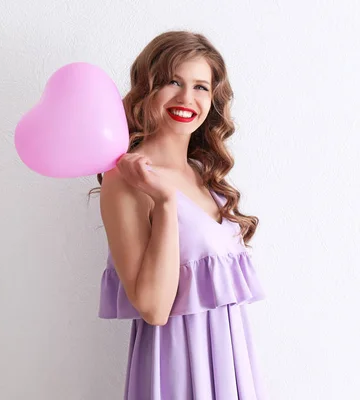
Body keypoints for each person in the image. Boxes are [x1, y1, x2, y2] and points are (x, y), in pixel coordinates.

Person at [95, 30, 267, 399]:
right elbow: (154, 308)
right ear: (147, 87)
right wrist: (165, 202)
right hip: (176, 370)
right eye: (173, 82)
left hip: (231, 365)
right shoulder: (126, 180)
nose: (187, 98)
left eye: (201, 87)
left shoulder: (207, 177)